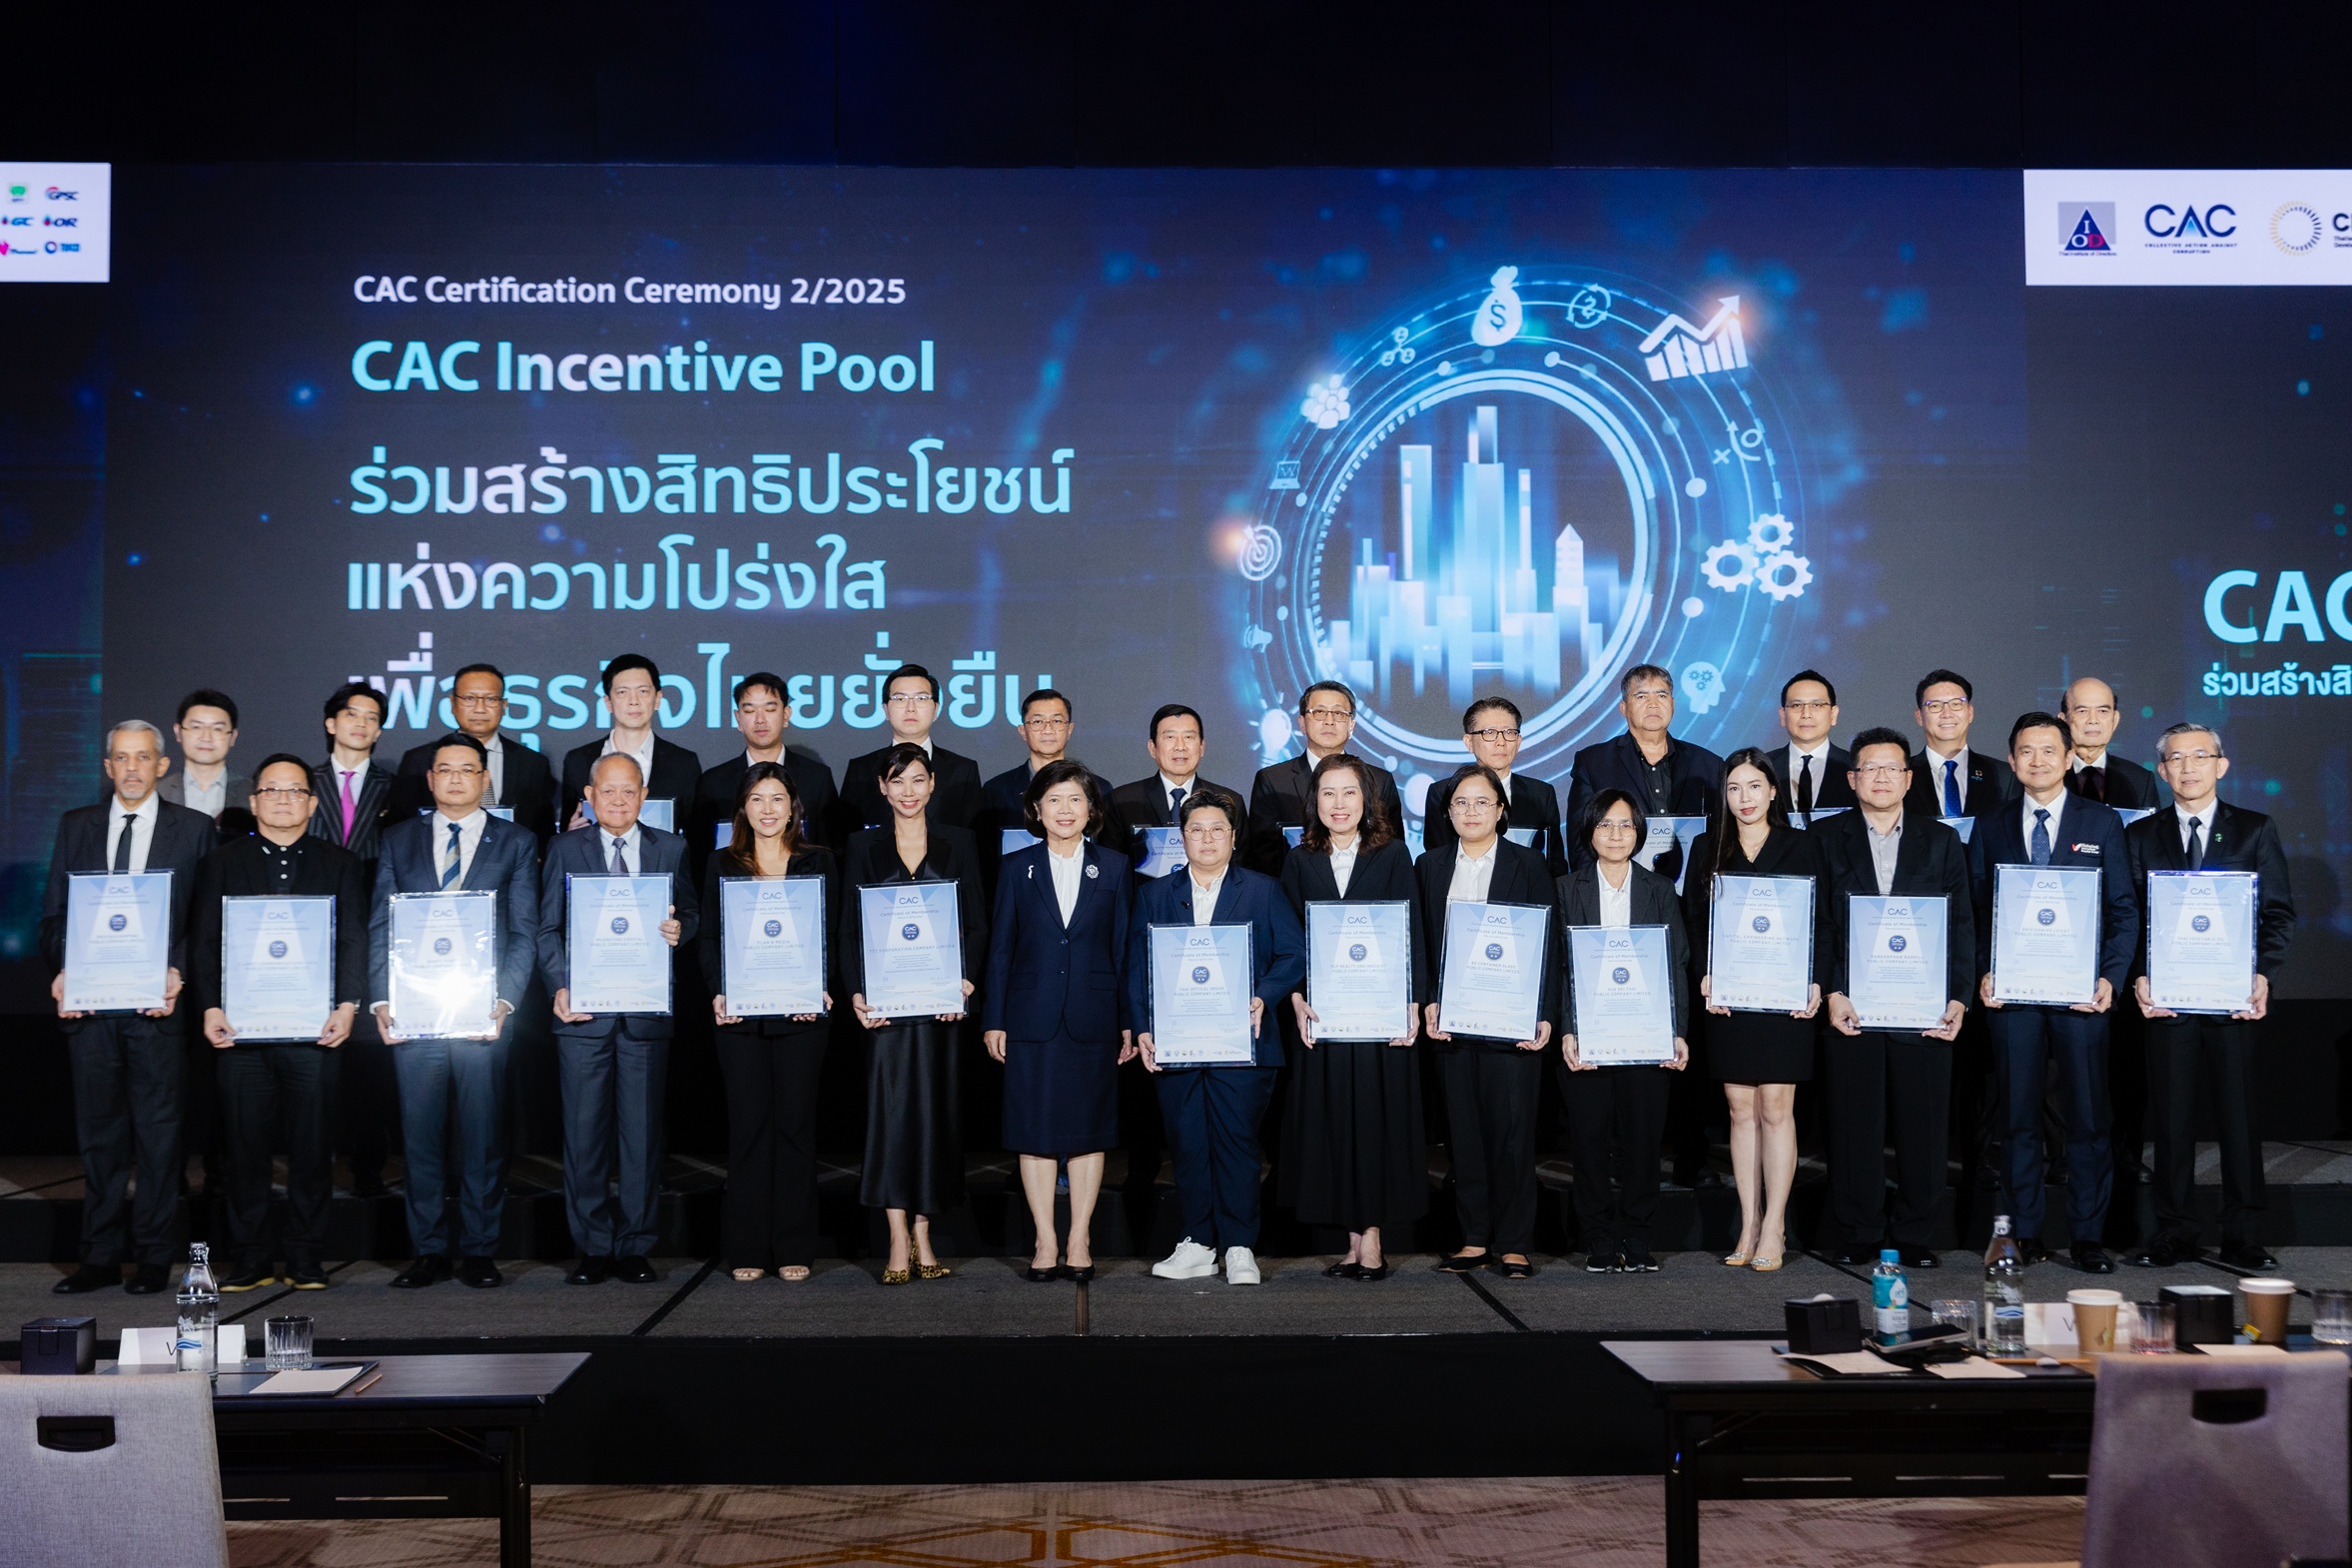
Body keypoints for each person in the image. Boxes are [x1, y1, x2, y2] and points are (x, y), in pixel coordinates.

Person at [43, 721, 218, 1295]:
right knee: (100, 1137)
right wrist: (65, 968)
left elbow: (204, 919)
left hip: (157, 1009)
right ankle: (97, 1257)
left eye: (143, 757)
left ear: (162, 766)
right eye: (122, 758)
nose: (133, 768)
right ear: (108, 767)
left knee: (159, 1137)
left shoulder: (194, 829)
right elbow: (54, 915)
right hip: (91, 1010)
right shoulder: (77, 826)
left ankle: (153, 1257)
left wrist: (178, 972)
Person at [187, 756, 367, 1291]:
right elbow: (204, 940)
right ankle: (251, 1257)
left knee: (312, 1149)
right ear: (254, 801)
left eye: (295, 791)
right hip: (241, 1032)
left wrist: (348, 1004)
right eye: (272, 790)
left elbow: (354, 937)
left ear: (312, 804)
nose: (284, 799)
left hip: (315, 1031)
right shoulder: (222, 862)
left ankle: (307, 1257)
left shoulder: (340, 862)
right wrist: (210, 1006)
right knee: (244, 1150)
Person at [370, 733, 540, 1290]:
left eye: (468, 770)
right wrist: (382, 998)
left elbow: (524, 931)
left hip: (481, 1015)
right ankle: (428, 1250)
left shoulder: (515, 841)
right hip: (416, 1013)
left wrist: (505, 1000)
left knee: (482, 1136)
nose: (456, 779)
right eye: (445, 769)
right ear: (430, 779)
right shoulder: (398, 839)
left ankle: (480, 1249)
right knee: (420, 1137)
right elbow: (382, 924)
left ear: (485, 779)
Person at [2125, 723, 2295, 1272]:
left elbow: (2277, 913)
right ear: (2162, 770)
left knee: (2237, 1119)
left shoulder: (2254, 829)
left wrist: (2263, 974)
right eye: (2177, 759)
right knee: (2171, 1122)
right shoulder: (2141, 834)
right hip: (2168, 1000)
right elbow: (2130, 916)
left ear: (2221, 765)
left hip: (2232, 1000)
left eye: (2200, 756)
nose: (2189, 767)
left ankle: (2242, 1233)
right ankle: (2174, 1231)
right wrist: (2139, 976)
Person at [1974, 711, 2136, 1272]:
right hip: (2013, 996)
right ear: (2012, 760)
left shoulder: (2102, 823)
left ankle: (2088, 1236)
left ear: (2069, 758)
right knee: (2018, 1120)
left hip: (2080, 995)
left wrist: (2109, 977)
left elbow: (2123, 909)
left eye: (2049, 750)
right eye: (2026, 751)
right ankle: (2024, 1233)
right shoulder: (1991, 824)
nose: (2037, 760)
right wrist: (1985, 970)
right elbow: (1976, 909)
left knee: (2087, 1120)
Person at [1127, 788, 1306, 1284]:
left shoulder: (1263, 890)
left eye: (1217, 830)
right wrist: (1142, 1028)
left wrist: (1264, 995)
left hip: (1243, 1042)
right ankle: (1197, 1242)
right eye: (1196, 830)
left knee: (1237, 1143)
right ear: (1181, 837)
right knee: (1187, 1144)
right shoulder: (1154, 894)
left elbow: (1293, 954)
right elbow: (1137, 968)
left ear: (1234, 837)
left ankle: (1240, 1245)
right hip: (1177, 1042)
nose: (1207, 839)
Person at [1817, 728, 1974, 1268]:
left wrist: (1958, 997)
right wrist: (1832, 990)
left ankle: (1913, 1233)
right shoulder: (1825, 837)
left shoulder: (1941, 840)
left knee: (1922, 1125)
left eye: (1892, 768)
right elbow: (1820, 923)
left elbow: (1961, 924)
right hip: (1851, 1006)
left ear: (1908, 778)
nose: (1881, 778)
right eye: (1870, 768)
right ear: (1852, 778)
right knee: (1854, 1123)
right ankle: (1859, 1230)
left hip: (1922, 1005)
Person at [541, 753, 696, 1286]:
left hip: (644, 1015)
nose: (618, 800)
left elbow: (691, 912)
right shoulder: (564, 848)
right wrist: (560, 984)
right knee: (583, 1138)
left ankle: (634, 1245)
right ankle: (591, 1246)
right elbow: (547, 928)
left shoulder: (670, 848)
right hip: (583, 1014)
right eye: (607, 791)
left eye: (629, 791)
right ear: (589, 795)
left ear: (644, 795)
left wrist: (681, 930)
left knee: (641, 1139)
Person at [982, 761, 1135, 1282]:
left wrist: (1128, 1018)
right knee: (1035, 1130)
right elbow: (1000, 949)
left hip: (1094, 1015)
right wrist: (995, 1018)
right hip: (1031, 1016)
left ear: (1090, 809)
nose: (1065, 810)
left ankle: (1079, 1237)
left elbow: (1123, 948)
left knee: (1089, 1130)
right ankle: (1045, 1238)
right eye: (1054, 800)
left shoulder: (1114, 867)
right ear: (1036, 809)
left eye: (1075, 800)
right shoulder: (1015, 867)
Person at [841, 743, 986, 1282]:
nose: (908, 791)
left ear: (932, 785)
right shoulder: (861, 845)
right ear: (883, 787)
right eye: (897, 781)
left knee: (934, 1120)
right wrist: (857, 993)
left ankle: (925, 1233)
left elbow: (976, 922)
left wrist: (965, 981)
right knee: (891, 1119)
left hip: (940, 1010)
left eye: (918, 779)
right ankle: (897, 1236)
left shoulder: (959, 842)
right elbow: (848, 929)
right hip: (885, 1010)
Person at [1278, 754, 1426, 1281]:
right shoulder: (1300, 859)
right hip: (1325, 1016)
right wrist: (1295, 997)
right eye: (1328, 793)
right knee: (1334, 1123)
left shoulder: (1392, 854)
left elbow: (1412, 931)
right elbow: (1288, 940)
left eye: (1349, 793)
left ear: (1368, 800)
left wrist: (1412, 1002)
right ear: (1314, 802)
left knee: (1376, 1121)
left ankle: (1374, 1242)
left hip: (1379, 1015)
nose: (1338, 804)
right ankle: (1351, 1243)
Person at [1685, 746, 1828, 1272]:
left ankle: (1775, 1225)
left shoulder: (1802, 845)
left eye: (1754, 786)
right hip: (1730, 997)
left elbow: (1823, 920)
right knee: (1739, 1108)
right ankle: (1748, 1223)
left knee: (1775, 1107)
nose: (1744, 798)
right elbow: (1693, 920)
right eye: (1733, 788)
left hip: (1783, 996)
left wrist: (1817, 981)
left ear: (1772, 791)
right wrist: (1705, 973)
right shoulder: (1707, 847)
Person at [1418, 763, 1560, 1278]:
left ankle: (1515, 1242)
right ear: (1448, 812)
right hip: (1453, 1024)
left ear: (1501, 810)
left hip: (1511, 1021)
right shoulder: (1429, 866)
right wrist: (1427, 1001)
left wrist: (1545, 1013)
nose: (1471, 811)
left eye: (1482, 802)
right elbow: (1420, 942)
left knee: (1513, 1134)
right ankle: (1474, 1238)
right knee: (1466, 1133)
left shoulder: (1529, 863)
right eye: (1461, 803)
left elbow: (1548, 943)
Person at [699, 762, 838, 1283]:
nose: (767, 809)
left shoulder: (818, 861)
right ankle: (748, 1247)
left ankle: (795, 1244)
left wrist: (819, 985)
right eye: (757, 799)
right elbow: (709, 936)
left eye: (777, 798)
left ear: (793, 807)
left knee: (796, 1128)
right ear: (743, 807)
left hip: (802, 1013)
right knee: (749, 1128)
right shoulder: (721, 863)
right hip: (741, 1016)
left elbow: (833, 931)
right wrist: (719, 989)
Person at [1555, 788, 1690, 1273]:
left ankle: (1637, 1235)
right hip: (1587, 1036)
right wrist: (1568, 1030)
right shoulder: (1565, 888)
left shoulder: (1660, 890)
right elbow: (1558, 968)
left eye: (1626, 825)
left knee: (1643, 1141)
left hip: (1645, 1035)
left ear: (1640, 833)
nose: (1616, 835)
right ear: (1589, 832)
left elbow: (1677, 963)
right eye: (1605, 825)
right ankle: (1596, 1236)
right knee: (1589, 1141)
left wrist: (1676, 1031)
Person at [309, 681, 399, 1198]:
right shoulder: (302, 782)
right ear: (331, 723)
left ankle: (368, 1169)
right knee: (314, 1062)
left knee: (368, 1063)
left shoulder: (397, 789)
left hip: (372, 933)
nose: (361, 724)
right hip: (310, 935)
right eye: (352, 714)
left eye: (372, 717)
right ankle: (314, 1167)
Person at [1565, 665, 1727, 870]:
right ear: (1623, 708)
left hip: (1693, 885)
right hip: (1622, 885)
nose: (1653, 705)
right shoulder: (1594, 763)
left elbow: (1724, 836)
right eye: (1641, 696)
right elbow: (1580, 844)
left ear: (1672, 704)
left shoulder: (1708, 764)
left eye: (1661, 695)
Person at [1243, 680, 1403, 875]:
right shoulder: (1273, 781)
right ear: (1302, 723)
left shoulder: (1380, 781)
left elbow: (1393, 854)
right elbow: (1263, 857)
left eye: (1338, 713)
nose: (1329, 721)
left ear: (1351, 725)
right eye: (1319, 712)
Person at [392, 664, 559, 843]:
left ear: (503, 706)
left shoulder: (533, 763)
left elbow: (543, 834)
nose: (480, 709)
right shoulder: (418, 760)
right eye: (469, 698)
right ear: (453, 704)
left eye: (490, 699)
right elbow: (401, 832)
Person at [690, 671, 840, 866]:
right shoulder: (714, 782)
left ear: (786, 715)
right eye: (749, 711)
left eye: (769, 709)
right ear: (738, 718)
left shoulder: (816, 777)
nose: (760, 719)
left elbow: (831, 849)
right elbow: (700, 854)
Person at [978, 688, 1113, 889]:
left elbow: (1107, 854)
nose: (1047, 729)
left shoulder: (1100, 788)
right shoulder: (996, 790)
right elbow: (986, 861)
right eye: (1037, 721)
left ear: (1070, 729)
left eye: (1057, 721)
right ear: (1022, 731)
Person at [1422, 696, 1569, 875]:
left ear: (1518, 742)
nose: (1501, 742)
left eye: (1509, 733)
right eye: (1489, 733)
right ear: (1469, 742)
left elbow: (1554, 864)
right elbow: (1436, 861)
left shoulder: (1540, 794)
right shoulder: (1442, 793)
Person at [558, 654, 703, 830]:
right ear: (608, 702)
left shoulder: (684, 763)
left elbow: (694, 834)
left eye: (643, 691)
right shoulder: (578, 761)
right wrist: (570, 833)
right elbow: (565, 827)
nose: (633, 701)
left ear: (657, 699)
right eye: (622, 692)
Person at [838, 664, 985, 837]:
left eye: (921, 698)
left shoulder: (963, 769)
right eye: (900, 699)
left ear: (936, 709)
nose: (910, 707)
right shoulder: (860, 769)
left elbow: (973, 838)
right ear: (886, 709)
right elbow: (846, 837)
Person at [1107, 704, 1238, 870]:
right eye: (1170, 737)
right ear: (1152, 748)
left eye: (1189, 737)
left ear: (1202, 747)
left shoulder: (1231, 801)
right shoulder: (1122, 801)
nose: (1180, 746)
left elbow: (1241, 866)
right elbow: (1112, 869)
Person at [1906, 669, 2010, 820]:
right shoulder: (1900, 775)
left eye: (1956, 704)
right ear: (1919, 717)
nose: (1947, 714)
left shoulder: (2004, 776)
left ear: (1970, 712)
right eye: (1935, 706)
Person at [1762, 670, 1854, 822]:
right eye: (1796, 705)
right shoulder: (1762, 768)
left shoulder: (1854, 767)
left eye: (1816, 705)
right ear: (1783, 715)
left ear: (1833, 714)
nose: (1806, 714)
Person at [158, 689, 254, 832]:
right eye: (196, 727)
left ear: (233, 736)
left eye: (217, 729)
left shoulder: (251, 793)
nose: (206, 737)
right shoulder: (159, 793)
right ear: (178, 732)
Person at [2060, 677, 2161, 810]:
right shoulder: (2046, 773)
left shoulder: (2140, 780)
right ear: (2063, 720)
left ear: (2115, 719)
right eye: (2082, 711)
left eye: (2103, 711)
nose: (2093, 720)